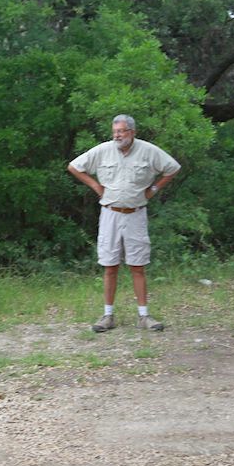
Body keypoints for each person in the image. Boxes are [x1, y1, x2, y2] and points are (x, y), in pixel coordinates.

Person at [68, 114, 181, 332]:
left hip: (136, 213)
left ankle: (144, 316)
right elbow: (74, 167)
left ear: (132, 132)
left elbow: (173, 168)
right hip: (110, 213)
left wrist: (154, 190)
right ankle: (108, 316)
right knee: (110, 266)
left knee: (137, 266)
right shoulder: (103, 150)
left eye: (121, 131)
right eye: (115, 132)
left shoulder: (148, 150)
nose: (117, 136)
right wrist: (95, 185)